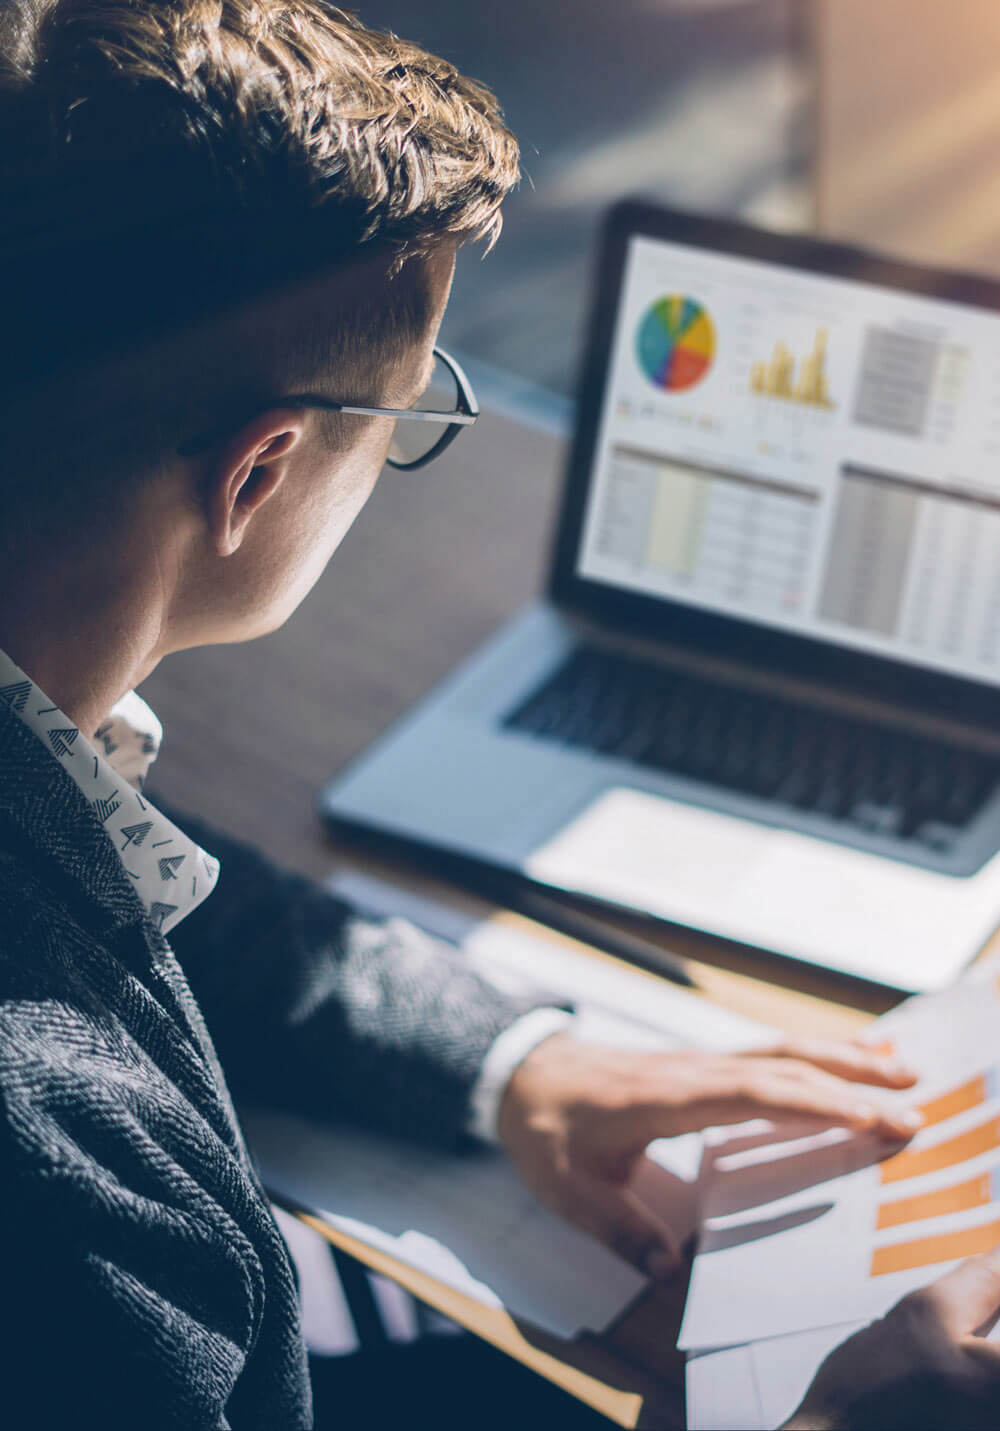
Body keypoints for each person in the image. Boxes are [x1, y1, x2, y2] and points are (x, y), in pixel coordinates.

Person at [0, 2, 993, 1427]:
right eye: (410, 416)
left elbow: (123, 881)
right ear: (259, 476)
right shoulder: (66, 1184)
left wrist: (513, 1057)